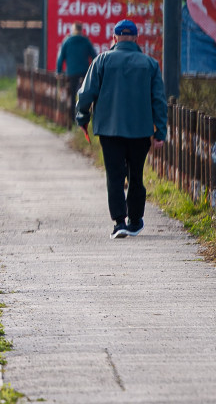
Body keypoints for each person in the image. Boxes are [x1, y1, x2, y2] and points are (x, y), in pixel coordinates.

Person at [74, 19, 168, 239]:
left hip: (109, 130)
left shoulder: (102, 61)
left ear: (114, 38)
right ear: (136, 38)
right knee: (136, 175)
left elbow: (86, 93)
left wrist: (82, 116)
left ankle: (119, 222)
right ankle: (135, 220)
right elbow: (159, 101)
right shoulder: (150, 64)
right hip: (141, 131)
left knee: (115, 176)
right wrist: (160, 132)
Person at [55, 25, 97, 116]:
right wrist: (95, 72)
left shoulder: (67, 41)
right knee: (84, 95)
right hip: (84, 73)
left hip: (71, 73)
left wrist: (58, 71)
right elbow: (94, 57)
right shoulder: (86, 41)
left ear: (73, 30)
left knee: (71, 95)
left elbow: (60, 58)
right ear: (81, 30)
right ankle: (84, 116)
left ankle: (71, 118)